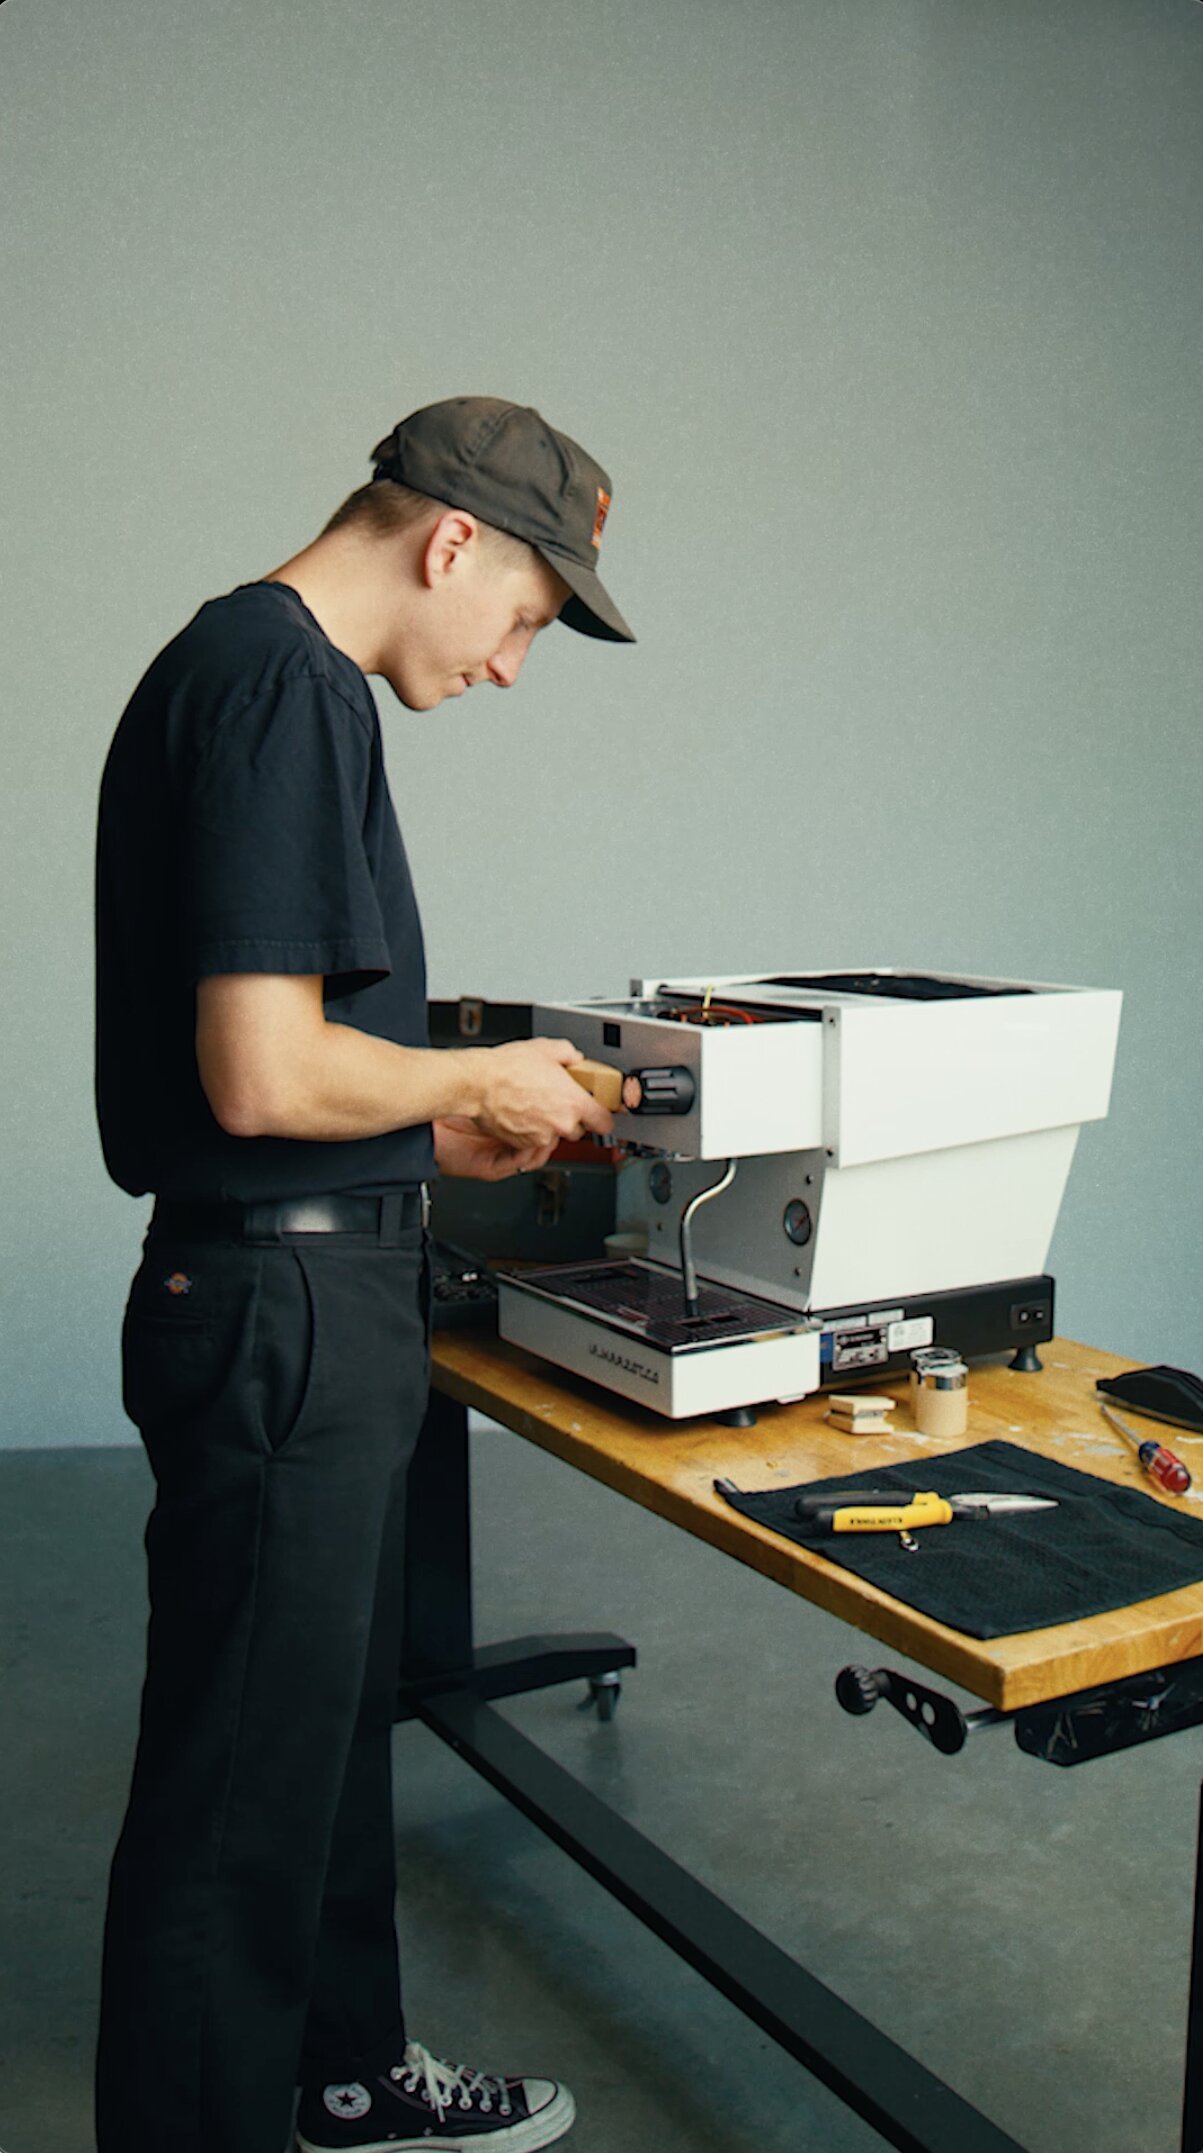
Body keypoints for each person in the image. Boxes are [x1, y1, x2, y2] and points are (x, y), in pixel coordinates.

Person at [93, 396, 634, 2153]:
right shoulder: (274, 685)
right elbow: (258, 1072)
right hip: (276, 1317)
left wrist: (426, 1133)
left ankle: (341, 2072)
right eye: (530, 620)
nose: (508, 667)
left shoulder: (275, 681)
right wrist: (470, 1080)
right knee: (237, 1800)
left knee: (311, 1752)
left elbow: (304, 1079)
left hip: (316, 1289)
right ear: (451, 541)